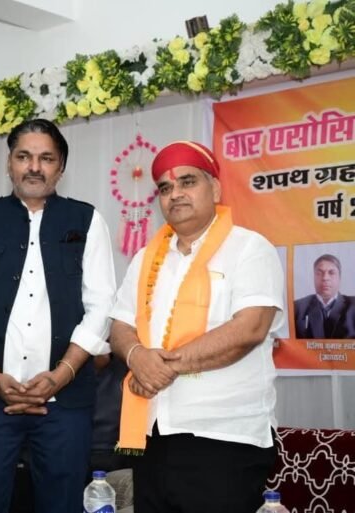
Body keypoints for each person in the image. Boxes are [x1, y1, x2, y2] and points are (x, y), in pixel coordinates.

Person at [109, 141, 285, 512]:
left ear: (215, 189)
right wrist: (137, 355)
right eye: (165, 188)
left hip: (223, 435)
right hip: (152, 432)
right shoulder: (144, 258)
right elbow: (120, 325)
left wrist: (161, 367)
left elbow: (250, 329)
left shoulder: (250, 248)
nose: (175, 194)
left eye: (187, 182)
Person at [0, 118, 117, 513]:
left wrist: (60, 376)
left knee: (62, 505)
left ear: (61, 168)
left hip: (65, 404)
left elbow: (101, 307)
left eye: (46, 158)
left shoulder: (87, 220)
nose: (34, 167)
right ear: (9, 163)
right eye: (24, 157)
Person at [294, 254, 355, 339]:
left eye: (331, 273)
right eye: (319, 273)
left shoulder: (353, 306)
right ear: (313, 277)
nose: (325, 278)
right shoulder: (297, 307)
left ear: (340, 278)